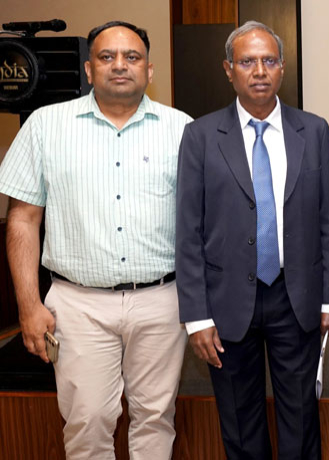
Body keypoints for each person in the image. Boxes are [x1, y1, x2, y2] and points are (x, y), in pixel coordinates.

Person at [0, 21, 191, 459]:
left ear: (150, 69)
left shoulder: (183, 130)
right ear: (89, 69)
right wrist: (29, 306)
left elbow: (203, 223)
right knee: (87, 423)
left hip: (163, 301)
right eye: (107, 57)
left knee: (155, 418)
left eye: (132, 57)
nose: (119, 65)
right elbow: (23, 220)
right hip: (78, 303)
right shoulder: (46, 127)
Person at [175, 21, 329, 459]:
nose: (259, 71)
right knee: (240, 423)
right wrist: (196, 317)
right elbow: (188, 230)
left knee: (301, 419)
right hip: (226, 304)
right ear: (229, 70)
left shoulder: (315, 131)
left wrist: (328, 300)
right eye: (247, 62)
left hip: (296, 297)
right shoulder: (201, 136)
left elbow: (328, 222)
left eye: (268, 61)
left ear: (283, 68)